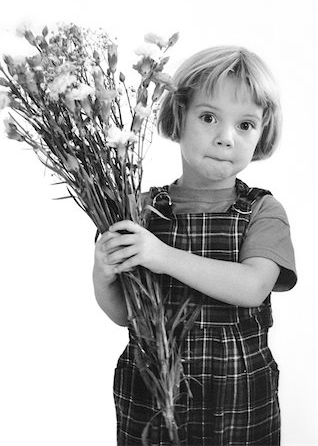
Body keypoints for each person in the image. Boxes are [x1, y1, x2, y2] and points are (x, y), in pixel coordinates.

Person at [93, 46, 297, 445]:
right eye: (208, 117)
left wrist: (160, 256)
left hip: (238, 397)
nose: (225, 138)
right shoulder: (139, 210)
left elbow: (252, 287)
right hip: (150, 395)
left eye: (245, 125)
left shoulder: (263, 211)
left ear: (263, 131)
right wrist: (103, 274)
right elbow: (123, 314)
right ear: (179, 115)